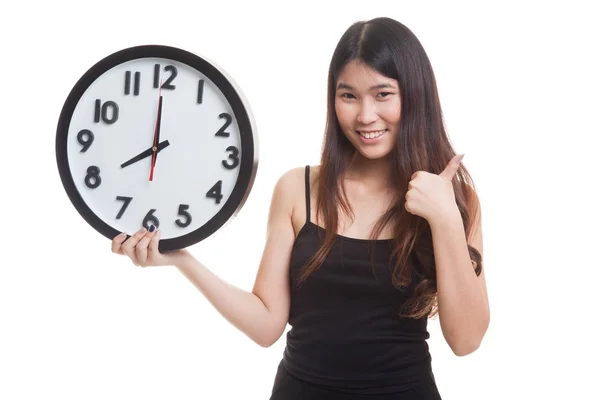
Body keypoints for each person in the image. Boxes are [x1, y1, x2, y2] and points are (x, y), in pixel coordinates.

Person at [111, 16, 489, 400]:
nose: (364, 116)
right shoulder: (298, 189)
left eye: (382, 94)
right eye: (348, 96)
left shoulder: (452, 199)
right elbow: (266, 325)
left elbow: (467, 339)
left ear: (414, 95)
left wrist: (444, 220)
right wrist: (182, 259)